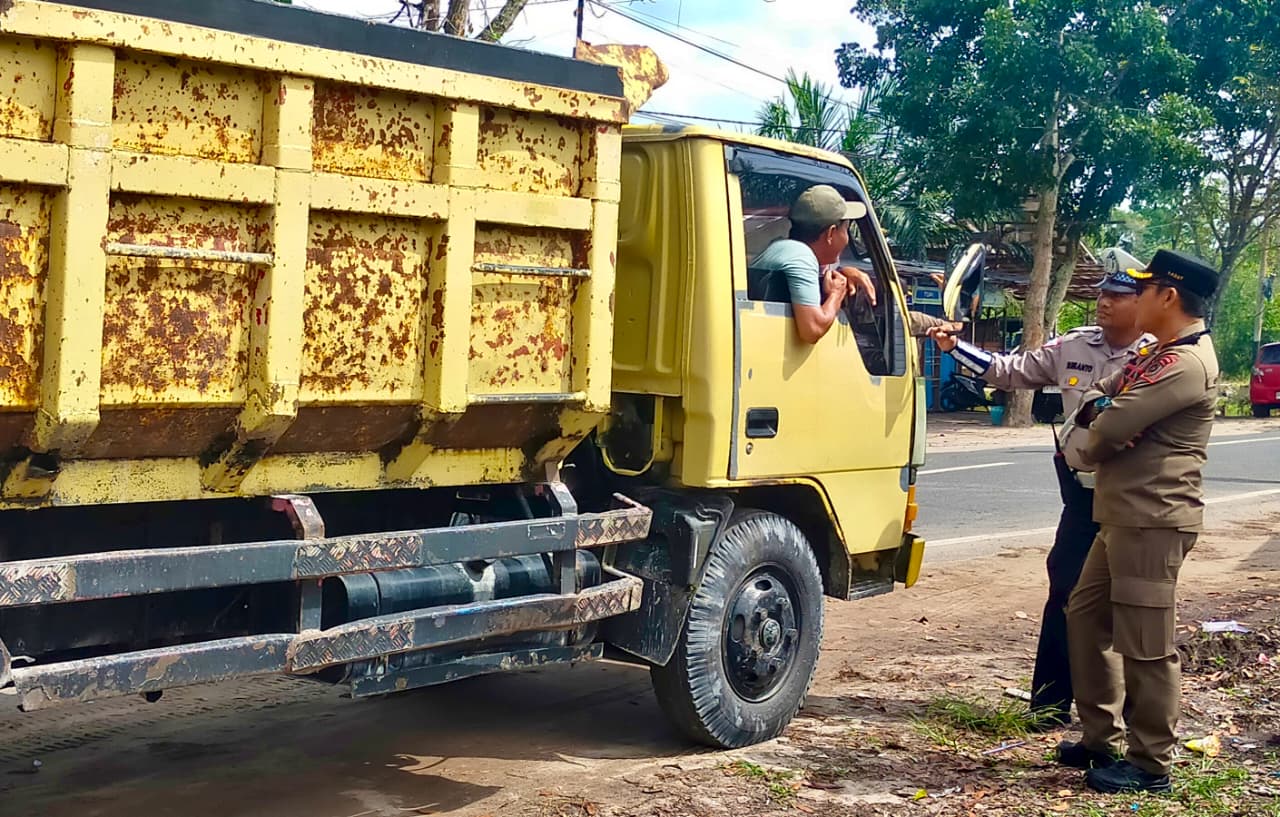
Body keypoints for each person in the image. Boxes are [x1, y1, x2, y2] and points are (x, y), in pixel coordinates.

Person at [926, 270, 1148, 727]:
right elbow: (1010, 371)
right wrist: (954, 348)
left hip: (1133, 495)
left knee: (1129, 602)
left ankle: (1130, 716)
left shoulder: (1156, 354)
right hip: (1083, 495)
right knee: (1064, 591)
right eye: (1103, 295)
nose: (1105, 302)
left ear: (1142, 303)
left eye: (1118, 296)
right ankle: (1049, 706)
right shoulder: (1074, 346)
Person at [1057, 249, 1219, 794]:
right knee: (1085, 616)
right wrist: (1102, 410)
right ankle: (1099, 737)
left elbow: (1108, 426)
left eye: (1143, 290)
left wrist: (1101, 418)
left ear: (1168, 297)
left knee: (1146, 641)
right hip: (1123, 515)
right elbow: (1097, 398)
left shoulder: (1185, 363)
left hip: (1154, 518)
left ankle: (1151, 762)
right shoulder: (1158, 355)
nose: (1130, 299)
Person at [748, 184, 877, 343]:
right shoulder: (801, 256)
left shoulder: (788, 249)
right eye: (846, 230)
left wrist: (844, 271)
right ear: (831, 233)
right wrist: (836, 294)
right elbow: (812, 330)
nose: (846, 239)